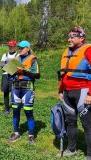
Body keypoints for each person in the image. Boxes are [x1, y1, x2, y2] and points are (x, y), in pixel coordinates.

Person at [58, 26, 91, 159]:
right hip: (67, 92)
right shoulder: (67, 51)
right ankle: (71, 149)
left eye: (72, 36)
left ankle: (90, 154)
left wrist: (90, 93)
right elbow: (63, 74)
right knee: (70, 122)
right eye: (69, 36)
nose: (69, 39)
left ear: (81, 38)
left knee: (87, 124)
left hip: (83, 92)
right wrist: (61, 90)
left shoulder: (88, 50)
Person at [9, 40, 40, 144]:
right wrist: (11, 71)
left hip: (27, 88)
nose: (20, 49)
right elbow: (10, 75)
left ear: (28, 48)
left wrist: (24, 71)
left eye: (22, 48)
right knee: (15, 110)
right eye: (19, 48)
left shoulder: (33, 59)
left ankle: (31, 135)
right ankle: (16, 133)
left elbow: (37, 75)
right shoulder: (16, 58)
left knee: (28, 111)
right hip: (15, 88)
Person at [0, 40, 18, 114]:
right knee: (5, 92)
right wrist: (12, 66)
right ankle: (7, 109)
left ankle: (16, 109)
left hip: (14, 76)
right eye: (9, 46)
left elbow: (18, 66)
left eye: (12, 46)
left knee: (14, 93)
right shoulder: (5, 55)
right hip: (5, 76)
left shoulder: (18, 55)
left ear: (15, 46)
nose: (10, 47)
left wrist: (8, 66)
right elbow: (1, 65)